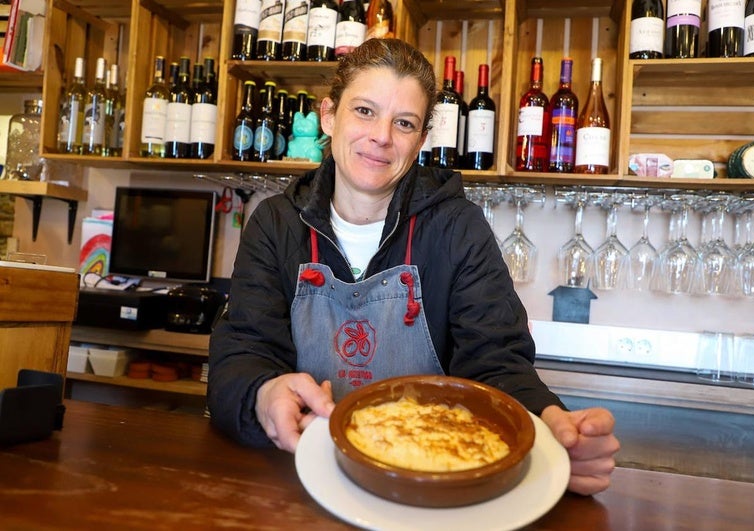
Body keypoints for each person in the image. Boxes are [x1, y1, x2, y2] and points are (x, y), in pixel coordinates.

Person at [208, 38, 619, 496]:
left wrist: (548, 425)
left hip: (429, 479)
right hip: (301, 476)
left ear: (422, 139)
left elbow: (496, 362)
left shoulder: (457, 228)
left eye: (403, 122)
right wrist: (261, 395)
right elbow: (241, 355)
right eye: (364, 111)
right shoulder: (275, 224)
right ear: (329, 115)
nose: (382, 135)